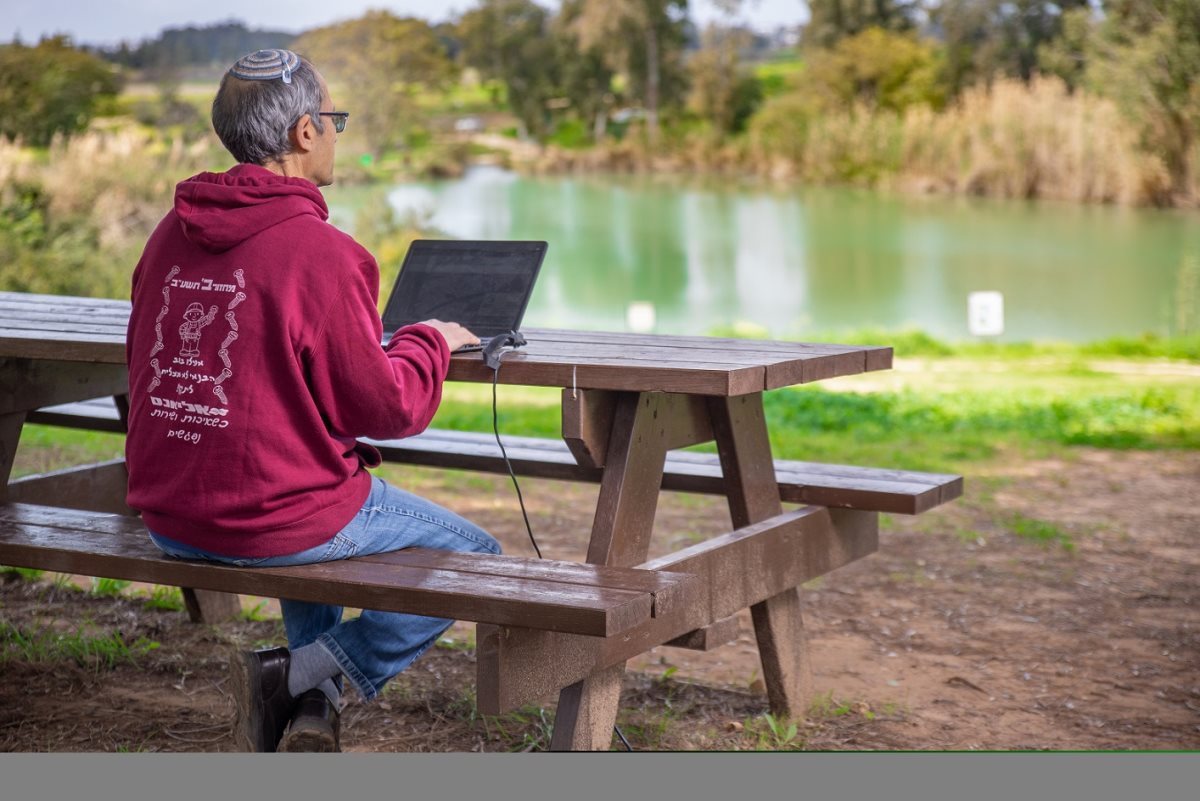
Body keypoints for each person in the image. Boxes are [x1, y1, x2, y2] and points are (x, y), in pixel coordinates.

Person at [124, 49, 499, 753]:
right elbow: (388, 410)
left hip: (169, 513)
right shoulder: (323, 254)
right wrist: (429, 341)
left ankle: (310, 715)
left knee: (305, 493)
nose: (335, 132)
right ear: (303, 132)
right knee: (479, 555)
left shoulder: (167, 235)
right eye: (333, 120)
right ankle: (299, 672)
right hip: (267, 518)